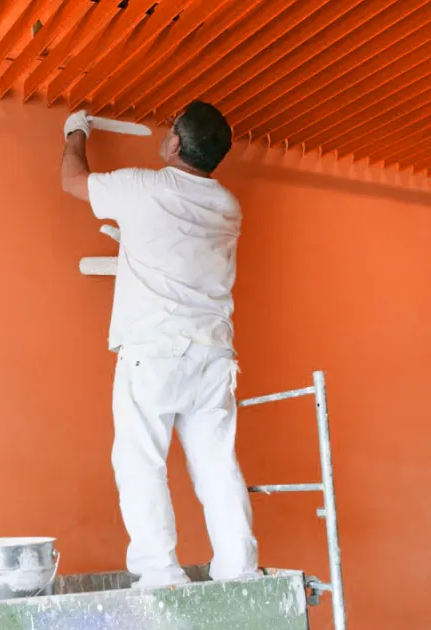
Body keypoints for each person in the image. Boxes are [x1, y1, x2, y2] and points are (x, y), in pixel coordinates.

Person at [59, 102, 258, 588]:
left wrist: (75, 133)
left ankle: (160, 574)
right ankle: (240, 571)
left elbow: (73, 180)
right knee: (216, 464)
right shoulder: (228, 205)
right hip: (213, 355)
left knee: (140, 460)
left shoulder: (143, 187)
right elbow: (180, 252)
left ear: (173, 144)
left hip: (155, 352)